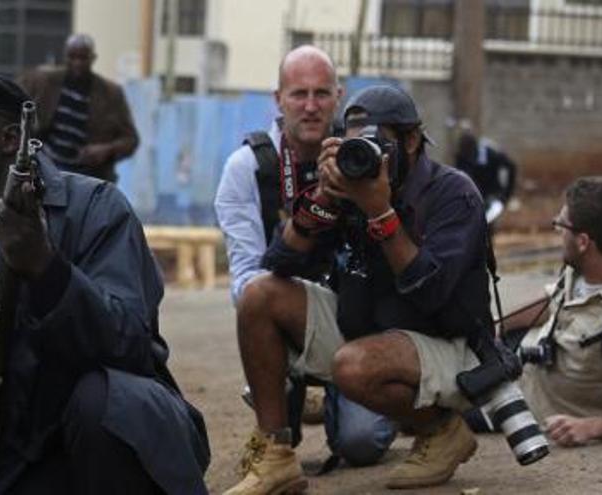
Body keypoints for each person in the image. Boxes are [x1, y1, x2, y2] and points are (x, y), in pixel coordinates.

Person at [0, 76, 208, 494]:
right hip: (20, 452)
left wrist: (45, 267)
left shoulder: (97, 209)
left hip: (121, 438)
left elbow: (130, 345)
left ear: (11, 139)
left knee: (100, 399)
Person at [225, 84, 493, 494]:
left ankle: (442, 431)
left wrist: (379, 211)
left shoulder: (453, 194)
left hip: (447, 343)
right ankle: (276, 455)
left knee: (354, 372)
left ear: (412, 140)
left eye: (378, 145)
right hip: (372, 331)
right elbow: (279, 264)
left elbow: (431, 294)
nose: (368, 156)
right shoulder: (349, 187)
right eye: (355, 146)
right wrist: (322, 200)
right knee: (259, 294)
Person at [214, 45, 396, 474]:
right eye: (299, 95)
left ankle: (374, 397)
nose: (311, 107)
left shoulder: (366, 157)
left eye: (321, 93)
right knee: (258, 294)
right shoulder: (248, 169)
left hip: (360, 321)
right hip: (294, 319)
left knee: (361, 443)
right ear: (277, 99)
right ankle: (291, 400)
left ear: (340, 95)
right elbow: (245, 283)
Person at [501, 176, 602, 447]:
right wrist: (497, 325)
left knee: (424, 404)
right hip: (519, 374)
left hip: (529, 411)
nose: (557, 232)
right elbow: (553, 300)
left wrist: (591, 427)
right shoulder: (583, 266)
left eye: (560, 225)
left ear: (583, 241)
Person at [18, 33, 138, 182]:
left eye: (83, 58)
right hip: (44, 168)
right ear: (65, 56)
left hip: (89, 175)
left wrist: (106, 149)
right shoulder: (44, 82)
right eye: (72, 57)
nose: (77, 63)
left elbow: (131, 139)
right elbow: (17, 105)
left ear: (93, 58)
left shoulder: (110, 93)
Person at [454, 129, 517, 224]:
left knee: (486, 223)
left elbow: (510, 165)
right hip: (471, 199)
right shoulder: (461, 156)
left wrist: (507, 193)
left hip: (491, 196)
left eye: (468, 149)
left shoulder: (490, 153)